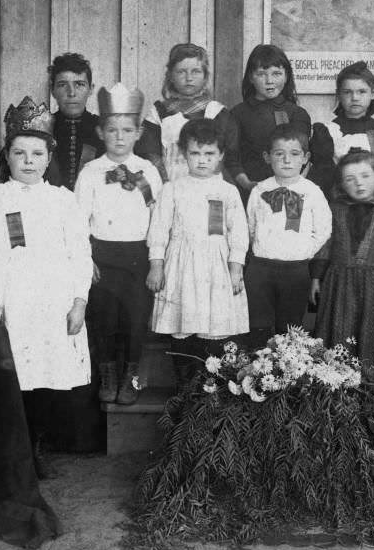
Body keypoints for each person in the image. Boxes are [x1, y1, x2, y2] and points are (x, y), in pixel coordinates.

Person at [0, 96, 94, 478]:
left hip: (52, 303)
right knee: (13, 377)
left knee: (45, 377)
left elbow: (79, 253)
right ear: (6, 155)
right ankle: (10, 451)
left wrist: (78, 301)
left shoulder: (63, 200)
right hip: (12, 301)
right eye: (19, 153)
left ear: (48, 156)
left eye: (36, 153)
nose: (28, 161)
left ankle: (34, 447)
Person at [75, 83, 162, 406]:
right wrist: (87, 260)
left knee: (136, 319)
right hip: (102, 254)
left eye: (127, 130)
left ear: (139, 132)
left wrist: (156, 261)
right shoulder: (90, 173)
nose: (120, 137)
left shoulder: (148, 171)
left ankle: (132, 377)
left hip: (137, 256)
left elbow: (158, 220)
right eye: (112, 130)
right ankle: (108, 375)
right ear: (101, 132)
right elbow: (78, 222)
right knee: (105, 318)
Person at [146, 118, 249, 387]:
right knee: (184, 326)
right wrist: (156, 265)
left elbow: (238, 232)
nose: (202, 160)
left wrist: (236, 267)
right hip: (181, 266)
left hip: (216, 267)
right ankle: (186, 388)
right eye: (195, 153)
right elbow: (159, 229)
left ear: (221, 155)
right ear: (183, 153)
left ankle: (211, 391)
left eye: (209, 154)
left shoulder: (227, 191)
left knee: (214, 328)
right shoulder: (172, 189)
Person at [311, 150, 374, 395]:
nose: (359, 183)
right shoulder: (333, 210)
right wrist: (316, 277)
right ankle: (337, 392)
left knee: (373, 332)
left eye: (365, 176)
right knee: (340, 331)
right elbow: (325, 246)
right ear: (342, 184)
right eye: (350, 179)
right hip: (339, 282)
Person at [246, 123, 331, 347]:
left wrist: (305, 250)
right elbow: (250, 225)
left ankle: (287, 377)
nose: (286, 160)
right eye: (279, 154)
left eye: (294, 154)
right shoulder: (259, 190)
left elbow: (323, 229)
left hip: (295, 269)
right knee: (259, 323)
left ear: (305, 158)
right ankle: (258, 374)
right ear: (267, 157)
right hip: (260, 268)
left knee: (290, 326)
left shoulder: (312, 191)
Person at [135, 43, 237, 182]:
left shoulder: (217, 112)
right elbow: (150, 154)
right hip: (170, 182)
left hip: (210, 184)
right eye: (181, 71)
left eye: (196, 71)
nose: (189, 78)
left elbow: (229, 156)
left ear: (205, 76)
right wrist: (165, 184)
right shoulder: (158, 112)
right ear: (170, 75)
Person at [228, 44, 316, 202]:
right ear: (250, 77)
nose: (269, 81)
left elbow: (301, 157)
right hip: (250, 192)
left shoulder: (297, 114)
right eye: (261, 74)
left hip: (290, 193)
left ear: (287, 76)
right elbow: (231, 158)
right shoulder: (237, 114)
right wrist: (247, 184)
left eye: (276, 74)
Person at [308, 60, 374, 198]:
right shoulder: (329, 132)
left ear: (373, 94)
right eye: (347, 92)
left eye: (361, 92)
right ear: (338, 95)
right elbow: (325, 178)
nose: (355, 98)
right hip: (342, 202)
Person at [45, 52, 103, 190]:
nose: (71, 93)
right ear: (52, 90)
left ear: (91, 89)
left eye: (79, 84)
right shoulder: (41, 128)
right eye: (62, 84)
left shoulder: (106, 129)